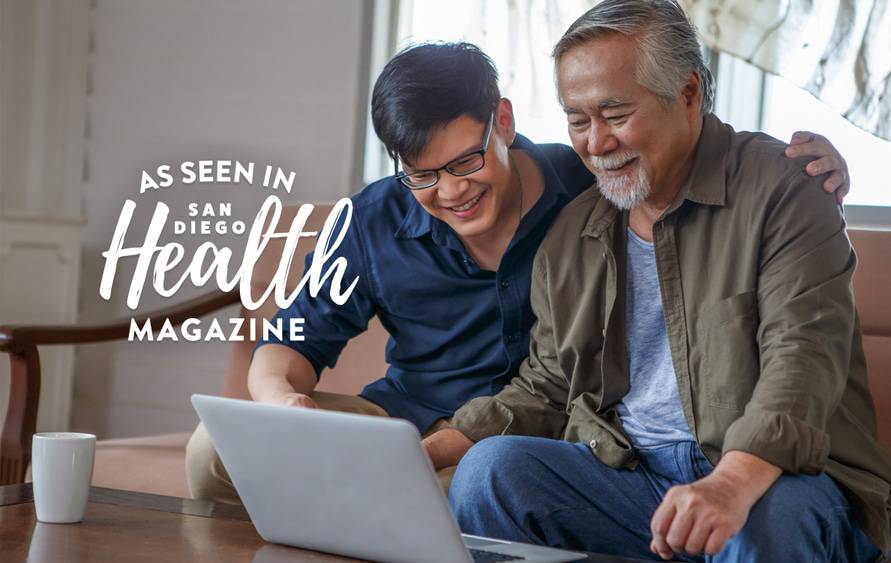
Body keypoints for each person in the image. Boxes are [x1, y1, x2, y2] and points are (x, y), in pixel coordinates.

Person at [185, 40, 853, 507]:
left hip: (533, 438)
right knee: (213, 449)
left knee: (483, 481)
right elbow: (286, 347)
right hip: (399, 430)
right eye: (421, 175)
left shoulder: (585, 185)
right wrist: (283, 406)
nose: (449, 191)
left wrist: (808, 167)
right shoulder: (371, 220)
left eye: (465, 162)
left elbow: (684, 162)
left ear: (502, 120)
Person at [438, 2, 891, 562]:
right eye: (577, 120)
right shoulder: (571, 236)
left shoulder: (786, 188)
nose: (596, 143)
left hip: (780, 477)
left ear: (688, 95)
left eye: (615, 113)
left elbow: (802, 357)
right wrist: (426, 451)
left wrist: (730, 483)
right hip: (629, 476)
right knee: (489, 472)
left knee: (758, 523)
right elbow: (548, 385)